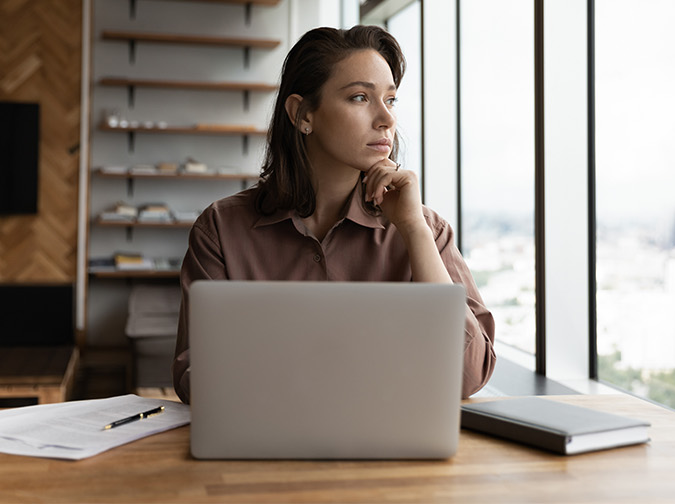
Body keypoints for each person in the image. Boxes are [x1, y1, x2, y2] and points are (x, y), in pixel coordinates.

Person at [172, 25, 496, 404]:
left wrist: (413, 229)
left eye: (390, 100)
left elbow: (469, 375)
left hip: (393, 456)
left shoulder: (427, 229)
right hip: (262, 454)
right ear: (303, 114)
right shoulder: (221, 229)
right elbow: (194, 374)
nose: (386, 120)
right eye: (360, 97)